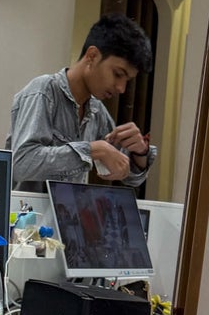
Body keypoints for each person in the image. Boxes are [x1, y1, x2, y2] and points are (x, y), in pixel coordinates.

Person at [8, 13, 157, 191]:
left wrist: (140, 152)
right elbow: (21, 164)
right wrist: (93, 150)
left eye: (127, 80)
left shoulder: (97, 111)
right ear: (92, 56)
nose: (121, 88)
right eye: (118, 74)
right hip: (26, 209)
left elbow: (127, 175)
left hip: (68, 209)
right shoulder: (43, 91)